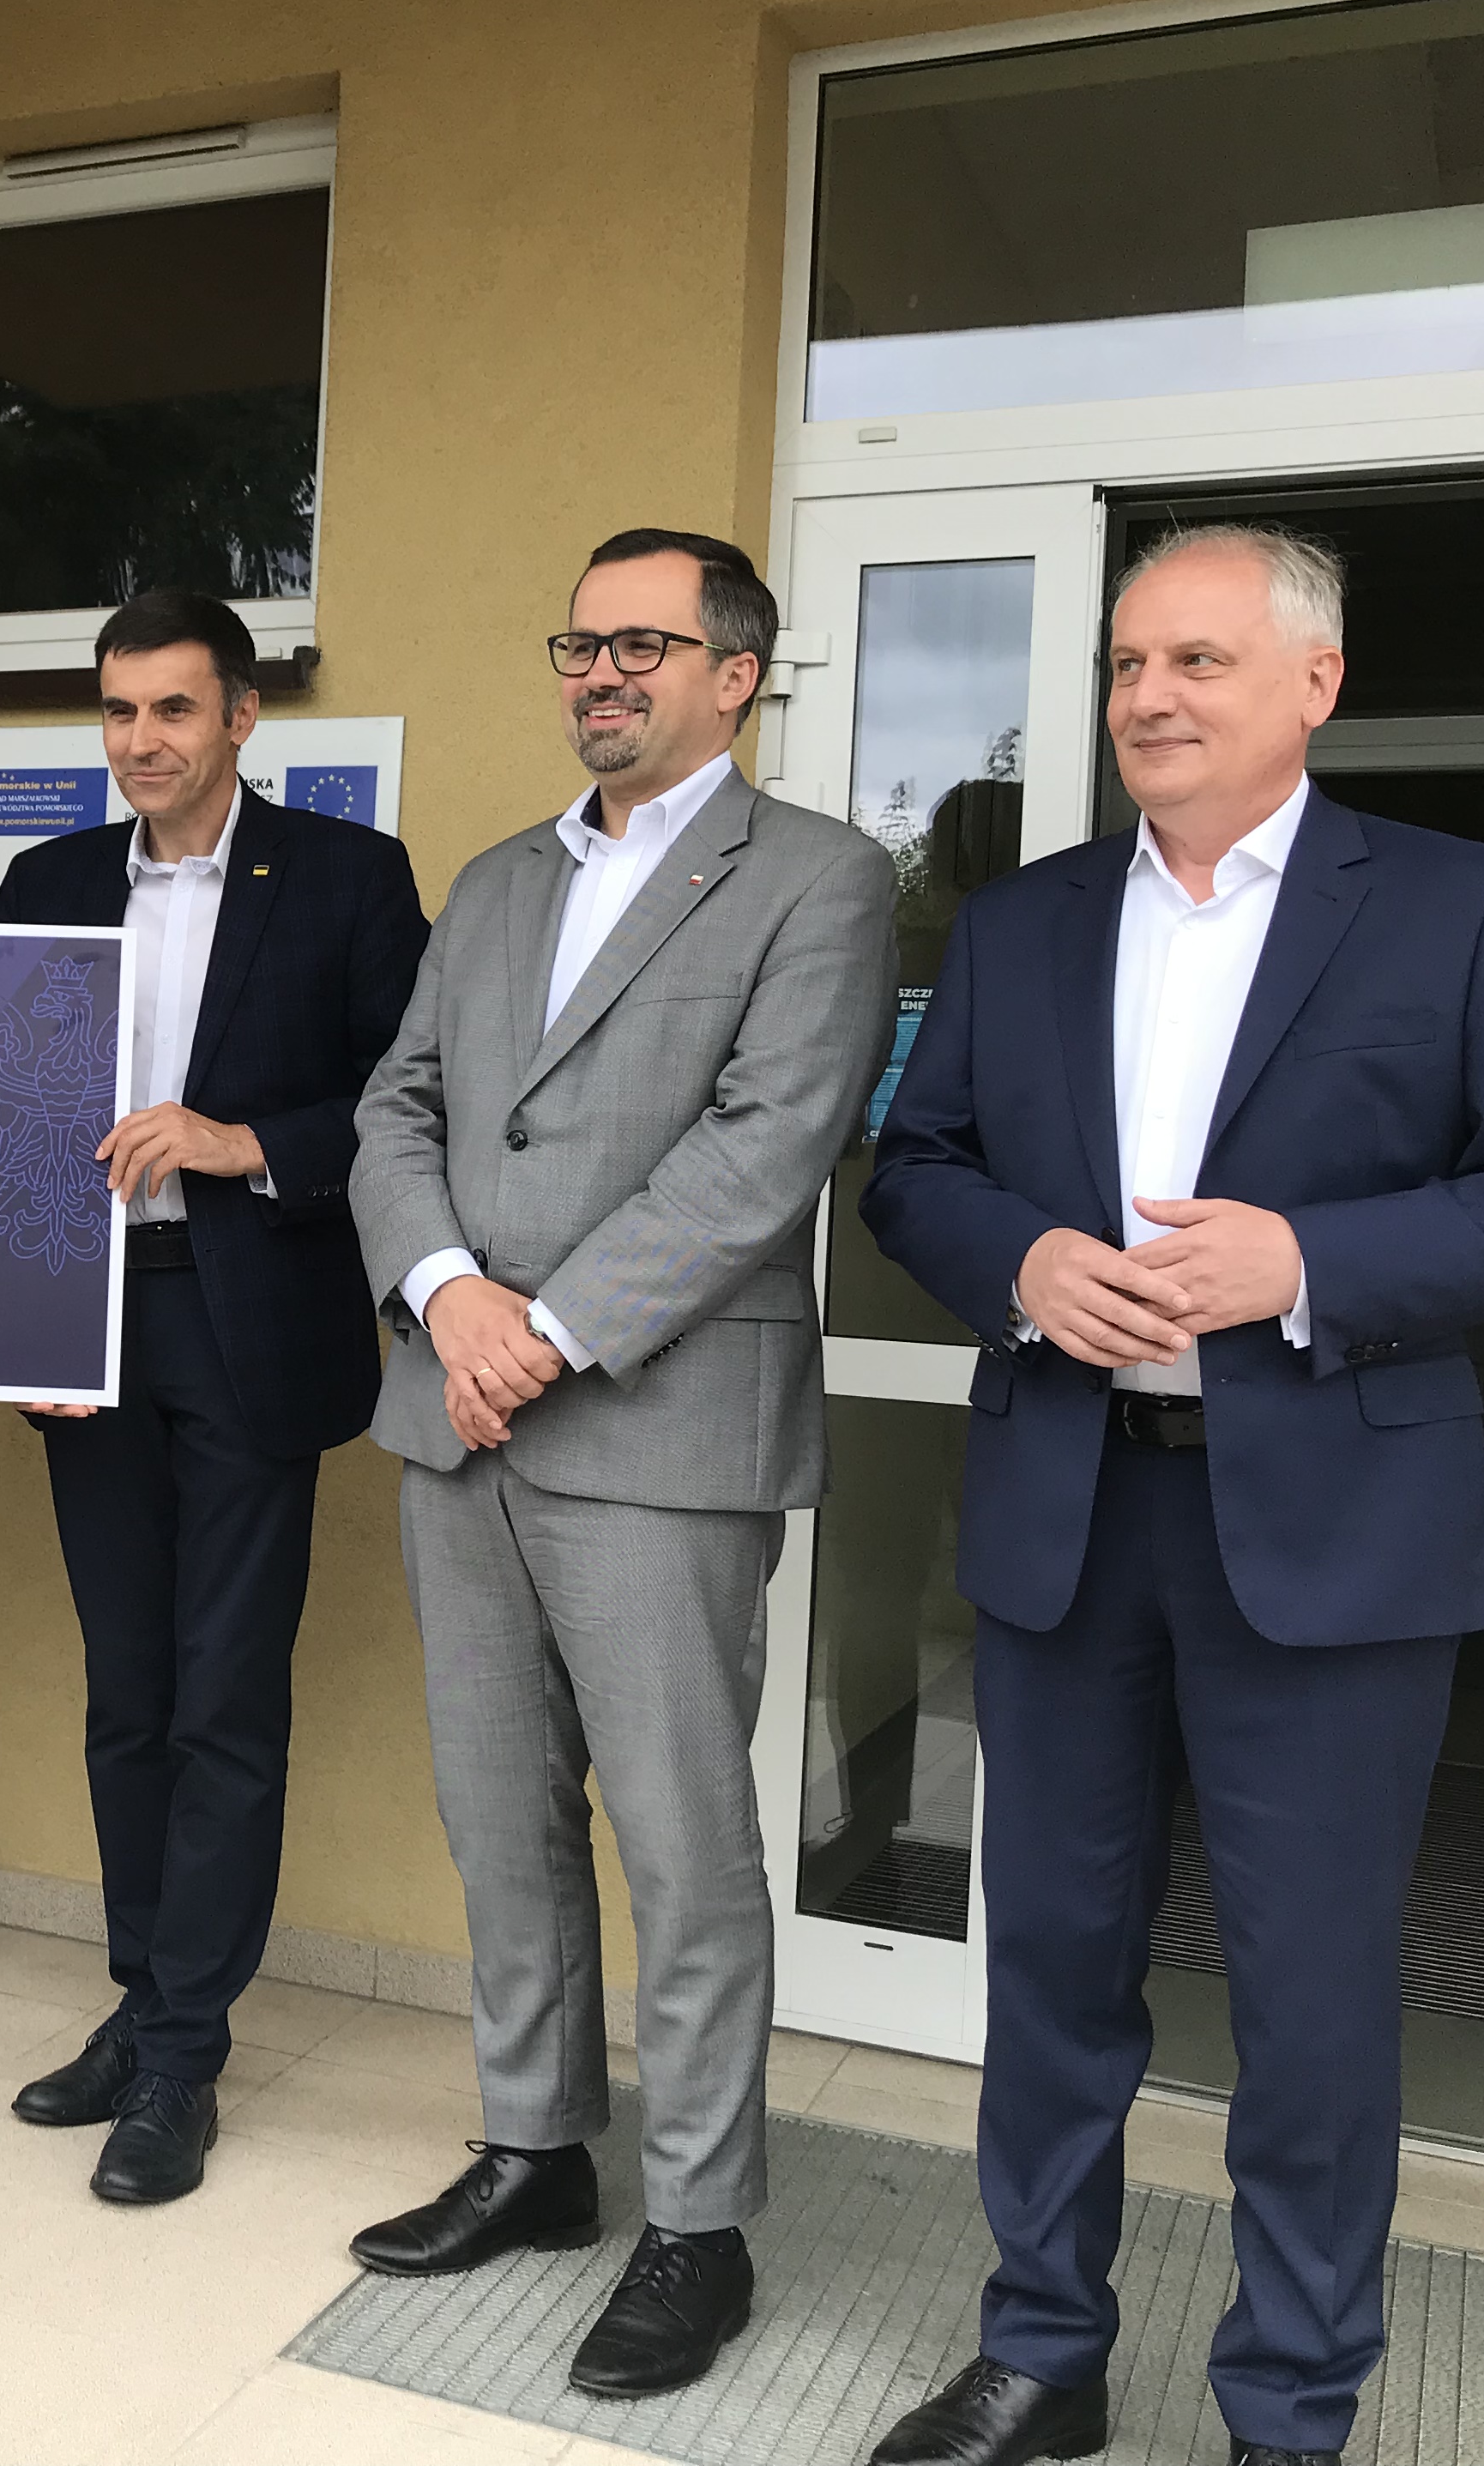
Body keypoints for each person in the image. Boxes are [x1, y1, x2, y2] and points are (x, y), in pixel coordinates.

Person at [854, 527, 1484, 2466]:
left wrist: (1309, 1262)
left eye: (1196, 660)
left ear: (1315, 683)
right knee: (1052, 1965)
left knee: (1309, 1998)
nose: (1149, 696)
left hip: (1334, 1534)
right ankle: (1043, 2352)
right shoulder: (1024, 922)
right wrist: (1024, 1263)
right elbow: (915, 1165)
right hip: (1072, 1512)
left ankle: (1289, 2404)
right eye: (1129, 664)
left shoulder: (1454, 903)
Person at [349, 529, 896, 2397]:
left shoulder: (819, 879)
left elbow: (768, 1143)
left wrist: (549, 1327)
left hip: (657, 1432)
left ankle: (700, 2223)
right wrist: (447, 1298)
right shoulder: (501, 880)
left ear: (736, 674)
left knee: (683, 1845)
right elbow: (400, 1104)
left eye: (642, 645)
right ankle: (535, 2152)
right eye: (580, 644)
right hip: (458, 1419)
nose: (600, 672)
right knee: (498, 1815)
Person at [0, 590, 426, 2206]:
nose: (142, 740)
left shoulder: (346, 877)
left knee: (224, 1698)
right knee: (128, 1693)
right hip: (87, 1328)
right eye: (119, 711)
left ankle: (185, 2056)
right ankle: (140, 2003)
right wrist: (20, 1331)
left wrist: (244, 1144)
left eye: (173, 709)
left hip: (247, 1324)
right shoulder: (45, 883)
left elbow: (405, 1095)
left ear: (243, 716)